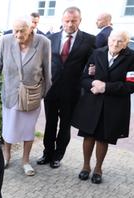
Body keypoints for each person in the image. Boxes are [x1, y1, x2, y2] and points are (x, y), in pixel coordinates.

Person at [71, 30, 134, 184]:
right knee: (88, 135)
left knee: (103, 137)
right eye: (113, 40)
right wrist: (92, 84)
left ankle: (98, 168)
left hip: (113, 106)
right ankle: (85, 166)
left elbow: (131, 86)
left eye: (120, 41)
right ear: (108, 39)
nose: (115, 44)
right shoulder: (97, 53)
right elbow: (84, 78)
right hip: (92, 102)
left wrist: (105, 87)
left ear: (126, 43)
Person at [0, 18, 51, 176]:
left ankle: (25, 160)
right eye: (15, 30)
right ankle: (6, 156)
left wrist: (43, 93)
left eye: (22, 30)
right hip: (10, 93)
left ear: (31, 29)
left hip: (31, 94)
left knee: (28, 129)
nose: (18, 34)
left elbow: (47, 71)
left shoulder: (43, 42)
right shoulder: (6, 40)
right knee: (9, 127)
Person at [38, 7, 96, 169]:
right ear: (62, 21)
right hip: (51, 89)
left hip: (72, 91)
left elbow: (95, 60)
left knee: (65, 125)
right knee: (50, 123)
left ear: (80, 20)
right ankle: (47, 152)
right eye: (67, 21)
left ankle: (58, 155)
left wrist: (93, 70)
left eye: (74, 21)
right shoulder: (50, 38)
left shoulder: (90, 40)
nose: (70, 24)